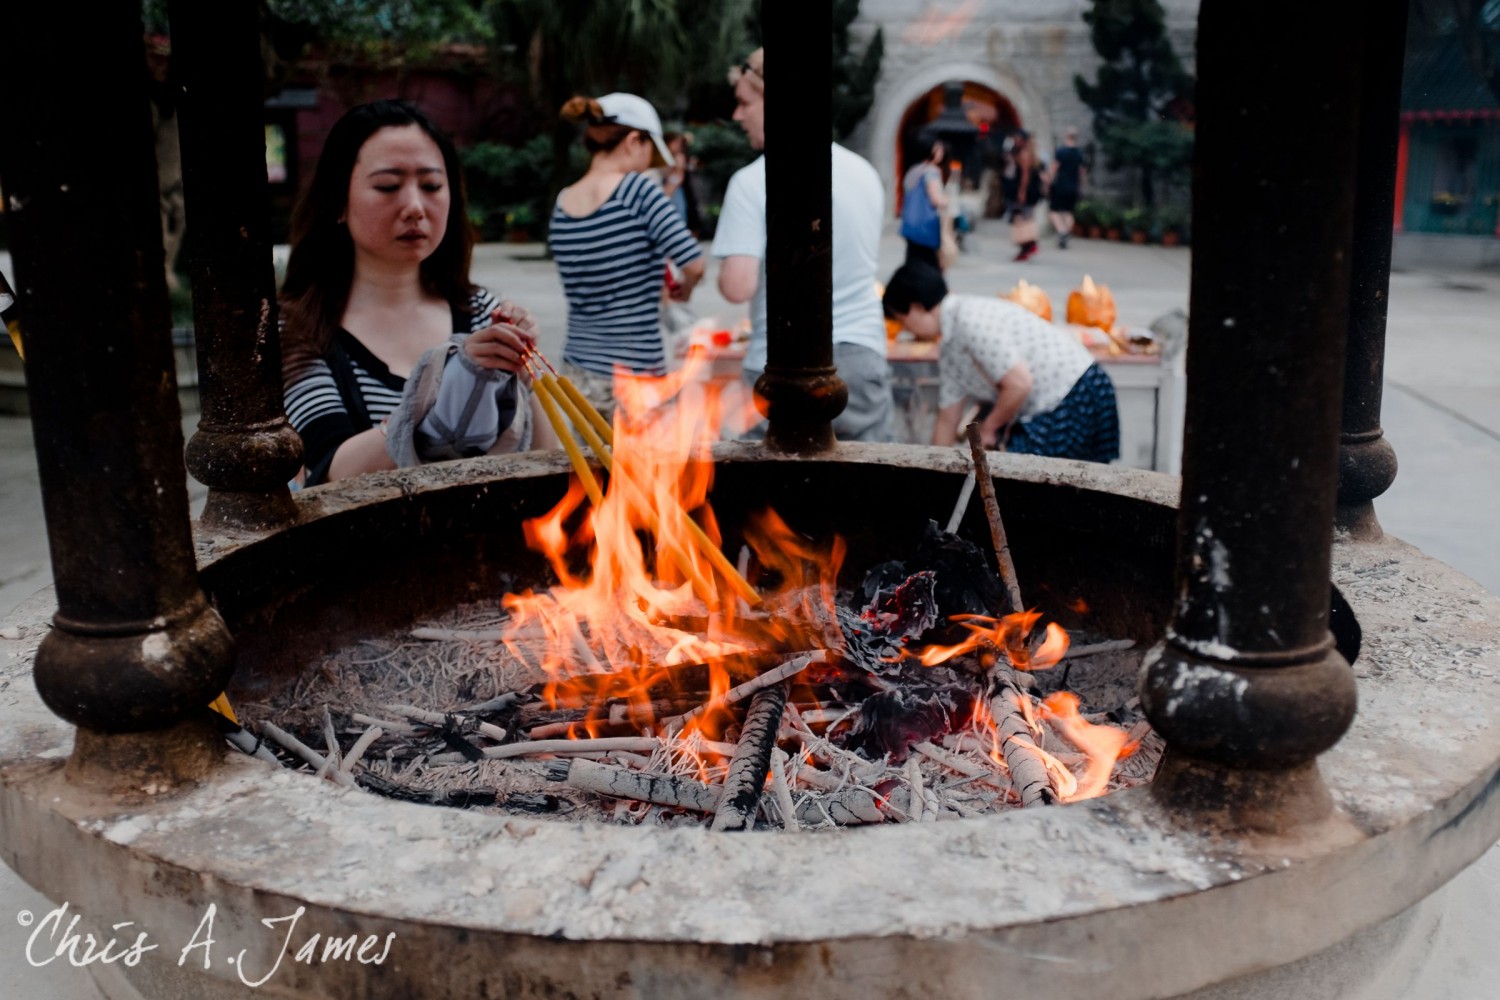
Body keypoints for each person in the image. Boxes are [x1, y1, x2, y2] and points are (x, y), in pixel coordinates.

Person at [281, 100, 552, 487]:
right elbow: (328, 469)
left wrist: (523, 373)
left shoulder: (482, 313)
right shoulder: (298, 328)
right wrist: (454, 381)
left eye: (431, 186)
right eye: (388, 186)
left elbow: (546, 460)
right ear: (338, 202)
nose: (414, 207)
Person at [712, 47, 894, 443]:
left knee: (770, 495)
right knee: (870, 492)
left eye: (745, 103)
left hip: (780, 364)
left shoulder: (751, 181)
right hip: (863, 357)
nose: (738, 116)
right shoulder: (864, 173)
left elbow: (737, 285)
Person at [548, 93, 706, 414]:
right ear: (634, 140)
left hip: (577, 374)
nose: (650, 166)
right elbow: (695, 264)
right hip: (633, 375)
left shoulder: (563, 203)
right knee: (644, 466)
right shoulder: (637, 190)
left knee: (590, 465)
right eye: (650, 153)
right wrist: (684, 289)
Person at [881, 262, 1119, 462]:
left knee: (1038, 486)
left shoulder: (969, 319)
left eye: (902, 321)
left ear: (916, 308)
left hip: (1077, 393)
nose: (905, 329)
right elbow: (947, 418)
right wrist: (934, 473)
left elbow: (1019, 384)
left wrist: (988, 429)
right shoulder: (951, 343)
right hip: (1055, 400)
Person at [901, 134, 949, 271]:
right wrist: (948, 200)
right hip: (926, 226)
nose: (941, 152)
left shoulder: (913, 170)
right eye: (938, 149)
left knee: (913, 261)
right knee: (931, 262)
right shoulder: (932, 171)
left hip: (909, 224)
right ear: (929, 151)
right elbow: (935, 199)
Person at [1001, 131, 1044, 262]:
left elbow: (1025, 176)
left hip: (1024, 190)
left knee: (1021, 217)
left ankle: (1027, 245)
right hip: (1028, 190)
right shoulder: (1025, 153)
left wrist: (1021, 192)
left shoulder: (1025, 154)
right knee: (1025, 216)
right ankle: (1028, 245)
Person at [1047, 128, 1086, 249]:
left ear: (1066, 136)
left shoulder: (1060, 151)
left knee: (1054, 211)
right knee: (1068, 212)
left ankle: (1062, 232)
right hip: (1073, 186)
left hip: (1060, 185)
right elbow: (1082, 172)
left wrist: (1049, 182)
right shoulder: (1080, 153)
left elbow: (1054, 168)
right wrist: (1081, 186)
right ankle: (1066, 232)